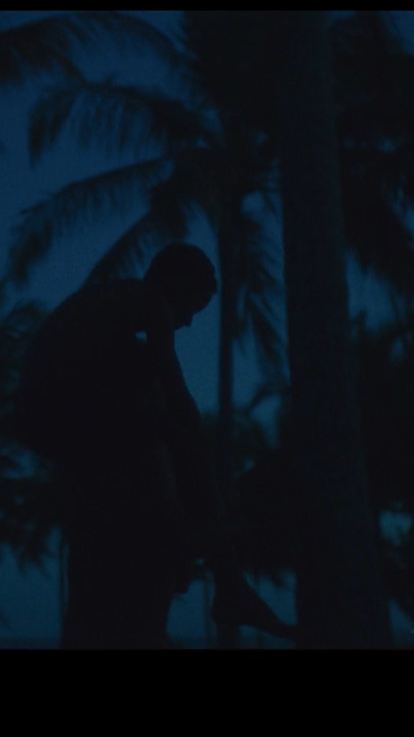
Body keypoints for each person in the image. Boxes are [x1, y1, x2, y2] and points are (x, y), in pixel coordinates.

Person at [17, 243, 295, 648]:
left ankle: (223, 576)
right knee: (174, 418)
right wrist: (198, 462)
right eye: (191, 308)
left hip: (54, 418)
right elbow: (176, 391)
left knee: (155, 406)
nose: (186, 322)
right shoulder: (149, 301)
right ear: (175, 284)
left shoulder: (112, 307)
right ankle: (221, 573)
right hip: (59, 413)